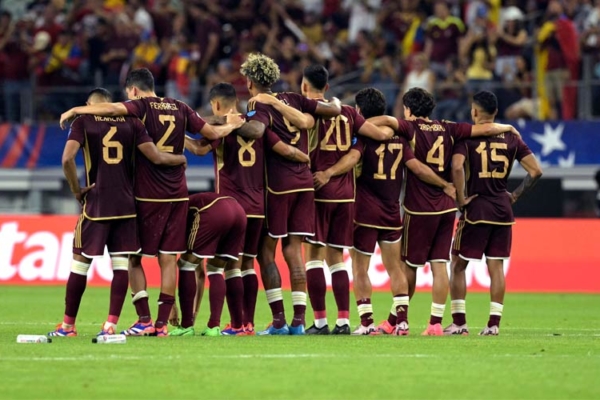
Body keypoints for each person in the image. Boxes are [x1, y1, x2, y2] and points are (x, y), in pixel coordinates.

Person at [59, 68, 244, 336]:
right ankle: (162, 324)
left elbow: (110, 111)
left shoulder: (140, 108)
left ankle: (144, 319)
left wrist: (76, 109)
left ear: (133, 90)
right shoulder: (180, 106)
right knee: (169, 259)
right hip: (179, 193)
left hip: (148, 194)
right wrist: (231, 125)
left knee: (133, 259)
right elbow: (210, 137)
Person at [369, 87, 520, 336]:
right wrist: (506, 128)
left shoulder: (410, 128)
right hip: (447, 208)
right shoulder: (449, 127)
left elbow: (385, 121)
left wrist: (356, 121)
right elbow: (484, 128)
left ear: (408, 109)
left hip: (419, 209)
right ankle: (435, 324)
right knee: (440, 265)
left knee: (409, 267)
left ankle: (399, 322)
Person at [48, 88, 187, 337]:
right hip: (126, 205)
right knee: (121, 266)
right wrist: (179, 159)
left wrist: (76, 189)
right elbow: (154, 156)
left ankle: (68, 326)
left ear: (90, 105)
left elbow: (67, 159)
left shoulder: (83, 121)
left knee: (80, 264)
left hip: (97, 205)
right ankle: (110, 324)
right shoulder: (131, 122)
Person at [181, 82, 311, 336]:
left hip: (231, 206)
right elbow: (285, 150)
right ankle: (248, 323)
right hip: (259, 208)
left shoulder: (222, 130)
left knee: (230, 266)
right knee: (249, 264)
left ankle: (237, 323)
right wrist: (305, 159)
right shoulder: (258, 128)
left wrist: (182, 137)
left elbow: (198, 149)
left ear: (217, 105)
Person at [240, 53, 342, 335]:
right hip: (305, 184)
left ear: (250, 82)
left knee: (266, 253)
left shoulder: (258, 105)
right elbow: (333, 111)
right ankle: (298, 322)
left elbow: (261, 135)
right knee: (294, 251)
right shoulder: (295, 99)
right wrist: (334, 101)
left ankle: (278, 322)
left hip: (278, 185)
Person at [293, 65, 393, 335]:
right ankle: (344, 321)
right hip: (346, 196)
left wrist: (324, 173)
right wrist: (394, 124)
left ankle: (321, 322)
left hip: (317, 191)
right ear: (327, 87)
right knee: (336, 257)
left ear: (304, 87)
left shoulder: (305, 114)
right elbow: (379, 136)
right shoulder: (349, 114)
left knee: (313, 256)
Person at [349, 88, 455, 336]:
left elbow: (352, 161)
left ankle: (366, 324)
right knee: (396, 268)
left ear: (360, 111)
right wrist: (444, 184)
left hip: (365, 211)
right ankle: (403, 322)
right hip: (391, 212)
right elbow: (415, 166)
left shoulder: (362, 137)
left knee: (359, 268)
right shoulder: (401, 139)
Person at [448, 91, 542, 336]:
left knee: (458, 264)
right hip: (502, 208)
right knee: (496, 267)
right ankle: (493, 325)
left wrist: (460, 198)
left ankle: (459, 323)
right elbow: (536, 171)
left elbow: (457, 166)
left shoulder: (466, 138)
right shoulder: (512, 139)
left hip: (476, 207)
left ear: (474, 112)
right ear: (497, 113)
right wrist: (515, 195)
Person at [171, 192, 248, 336]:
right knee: (216, 268)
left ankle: (186, 326)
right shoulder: (187, 210)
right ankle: (218, 327)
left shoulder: (175, 218)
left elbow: (186, 267)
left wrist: (172, 306)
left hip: (214, 211)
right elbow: (199, 274)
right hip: (238, 210)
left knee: (185, 264)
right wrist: (195, 312)